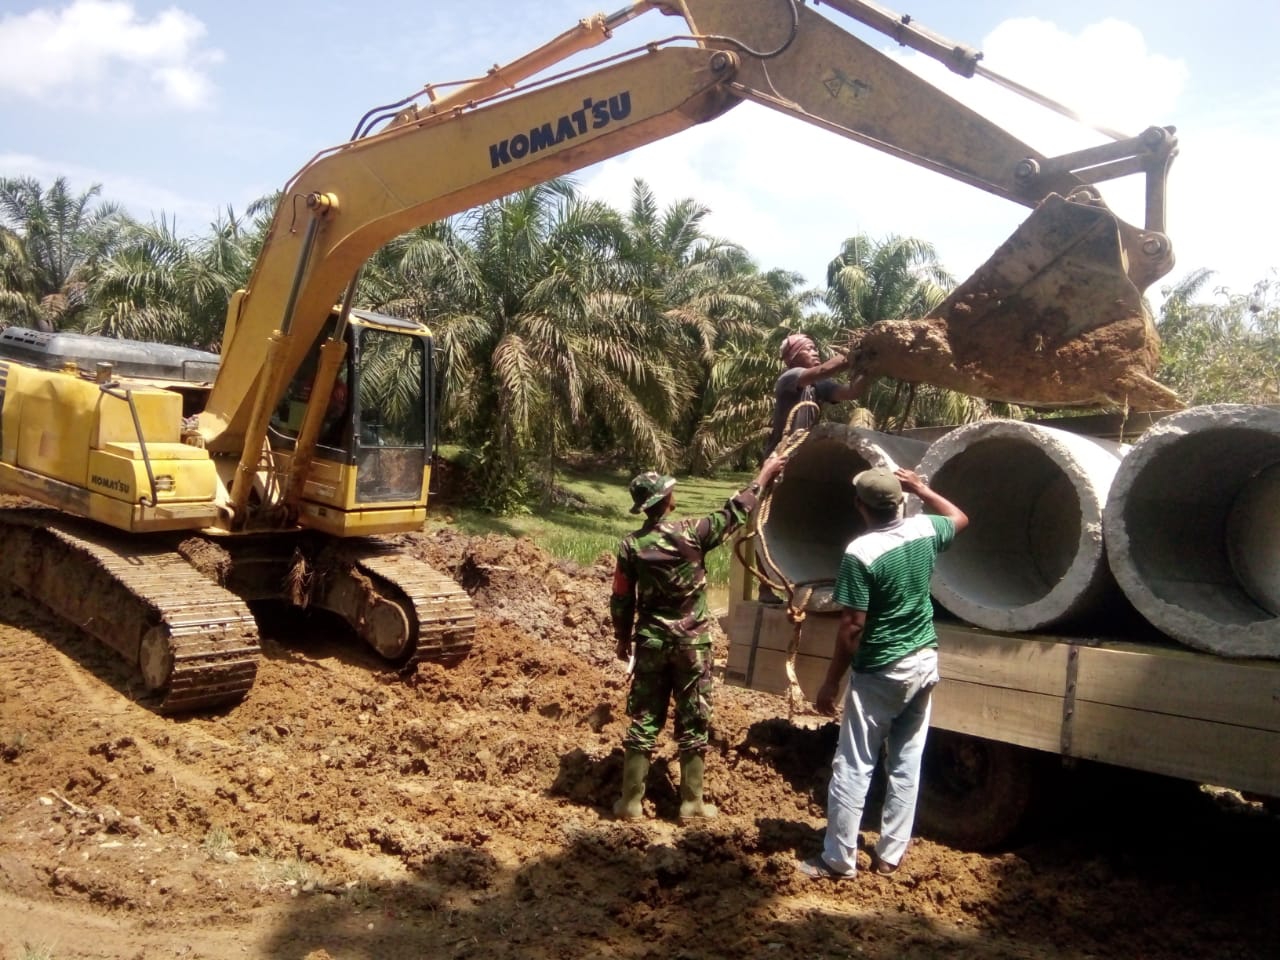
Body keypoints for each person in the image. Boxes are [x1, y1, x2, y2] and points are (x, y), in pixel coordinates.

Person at [797, 466, 968, 879]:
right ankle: (890, 855)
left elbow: (852, 626)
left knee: (854, 764)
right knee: (906, 761)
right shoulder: (924, 529)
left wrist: (831, 681)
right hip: (924, 660)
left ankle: (838, 859)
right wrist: (922, 488)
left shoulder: (862, 553)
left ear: (860, 506)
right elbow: (961, 518)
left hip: (882, 670)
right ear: (900, 501)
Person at [610, 454, 786, 821]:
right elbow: (736, 512)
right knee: (693, 718)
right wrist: (765, 473)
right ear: (664, 501)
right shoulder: (693, 533)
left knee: (644, 717)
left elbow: (621, 598)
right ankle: (691, 803)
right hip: (693, 645)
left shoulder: (631, 546)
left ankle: (629, 802)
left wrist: (622, 640)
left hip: (651, 644)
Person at [764, 333, 869, 458]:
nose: (815, 353)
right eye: (809, 349)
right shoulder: (789, 377)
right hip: (780, 453)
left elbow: (852, 392)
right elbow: (824, 370)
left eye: (815, 349)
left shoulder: (819, 384)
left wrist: (867, 369)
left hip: (801, 453)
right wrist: (855, 353)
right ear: (793, 357)